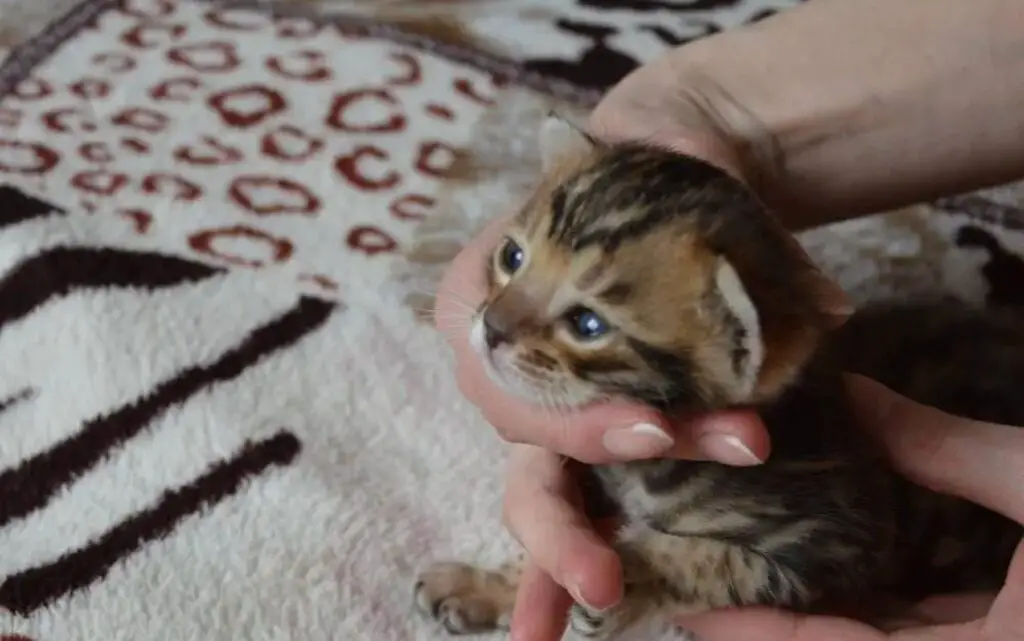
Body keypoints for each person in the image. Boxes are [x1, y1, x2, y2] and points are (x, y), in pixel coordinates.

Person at [433, 0, 1024, 639]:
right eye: (514, 258)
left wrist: (642, 575)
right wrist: (699, 109)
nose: (500, 320)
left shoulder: (778, 480)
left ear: (740, 350)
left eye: (587, 322)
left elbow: (823, 553)